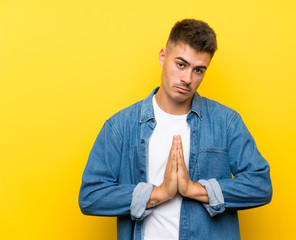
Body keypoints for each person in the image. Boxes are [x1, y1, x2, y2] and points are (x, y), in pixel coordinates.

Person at [79, 19, 272, 240]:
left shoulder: (226, 122)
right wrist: (159, 193)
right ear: (163, 57)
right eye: (181, 64)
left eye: (198, 70)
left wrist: (194, 190)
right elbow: (91, 195)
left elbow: (260, 185)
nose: (187, 79)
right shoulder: (121, 126)